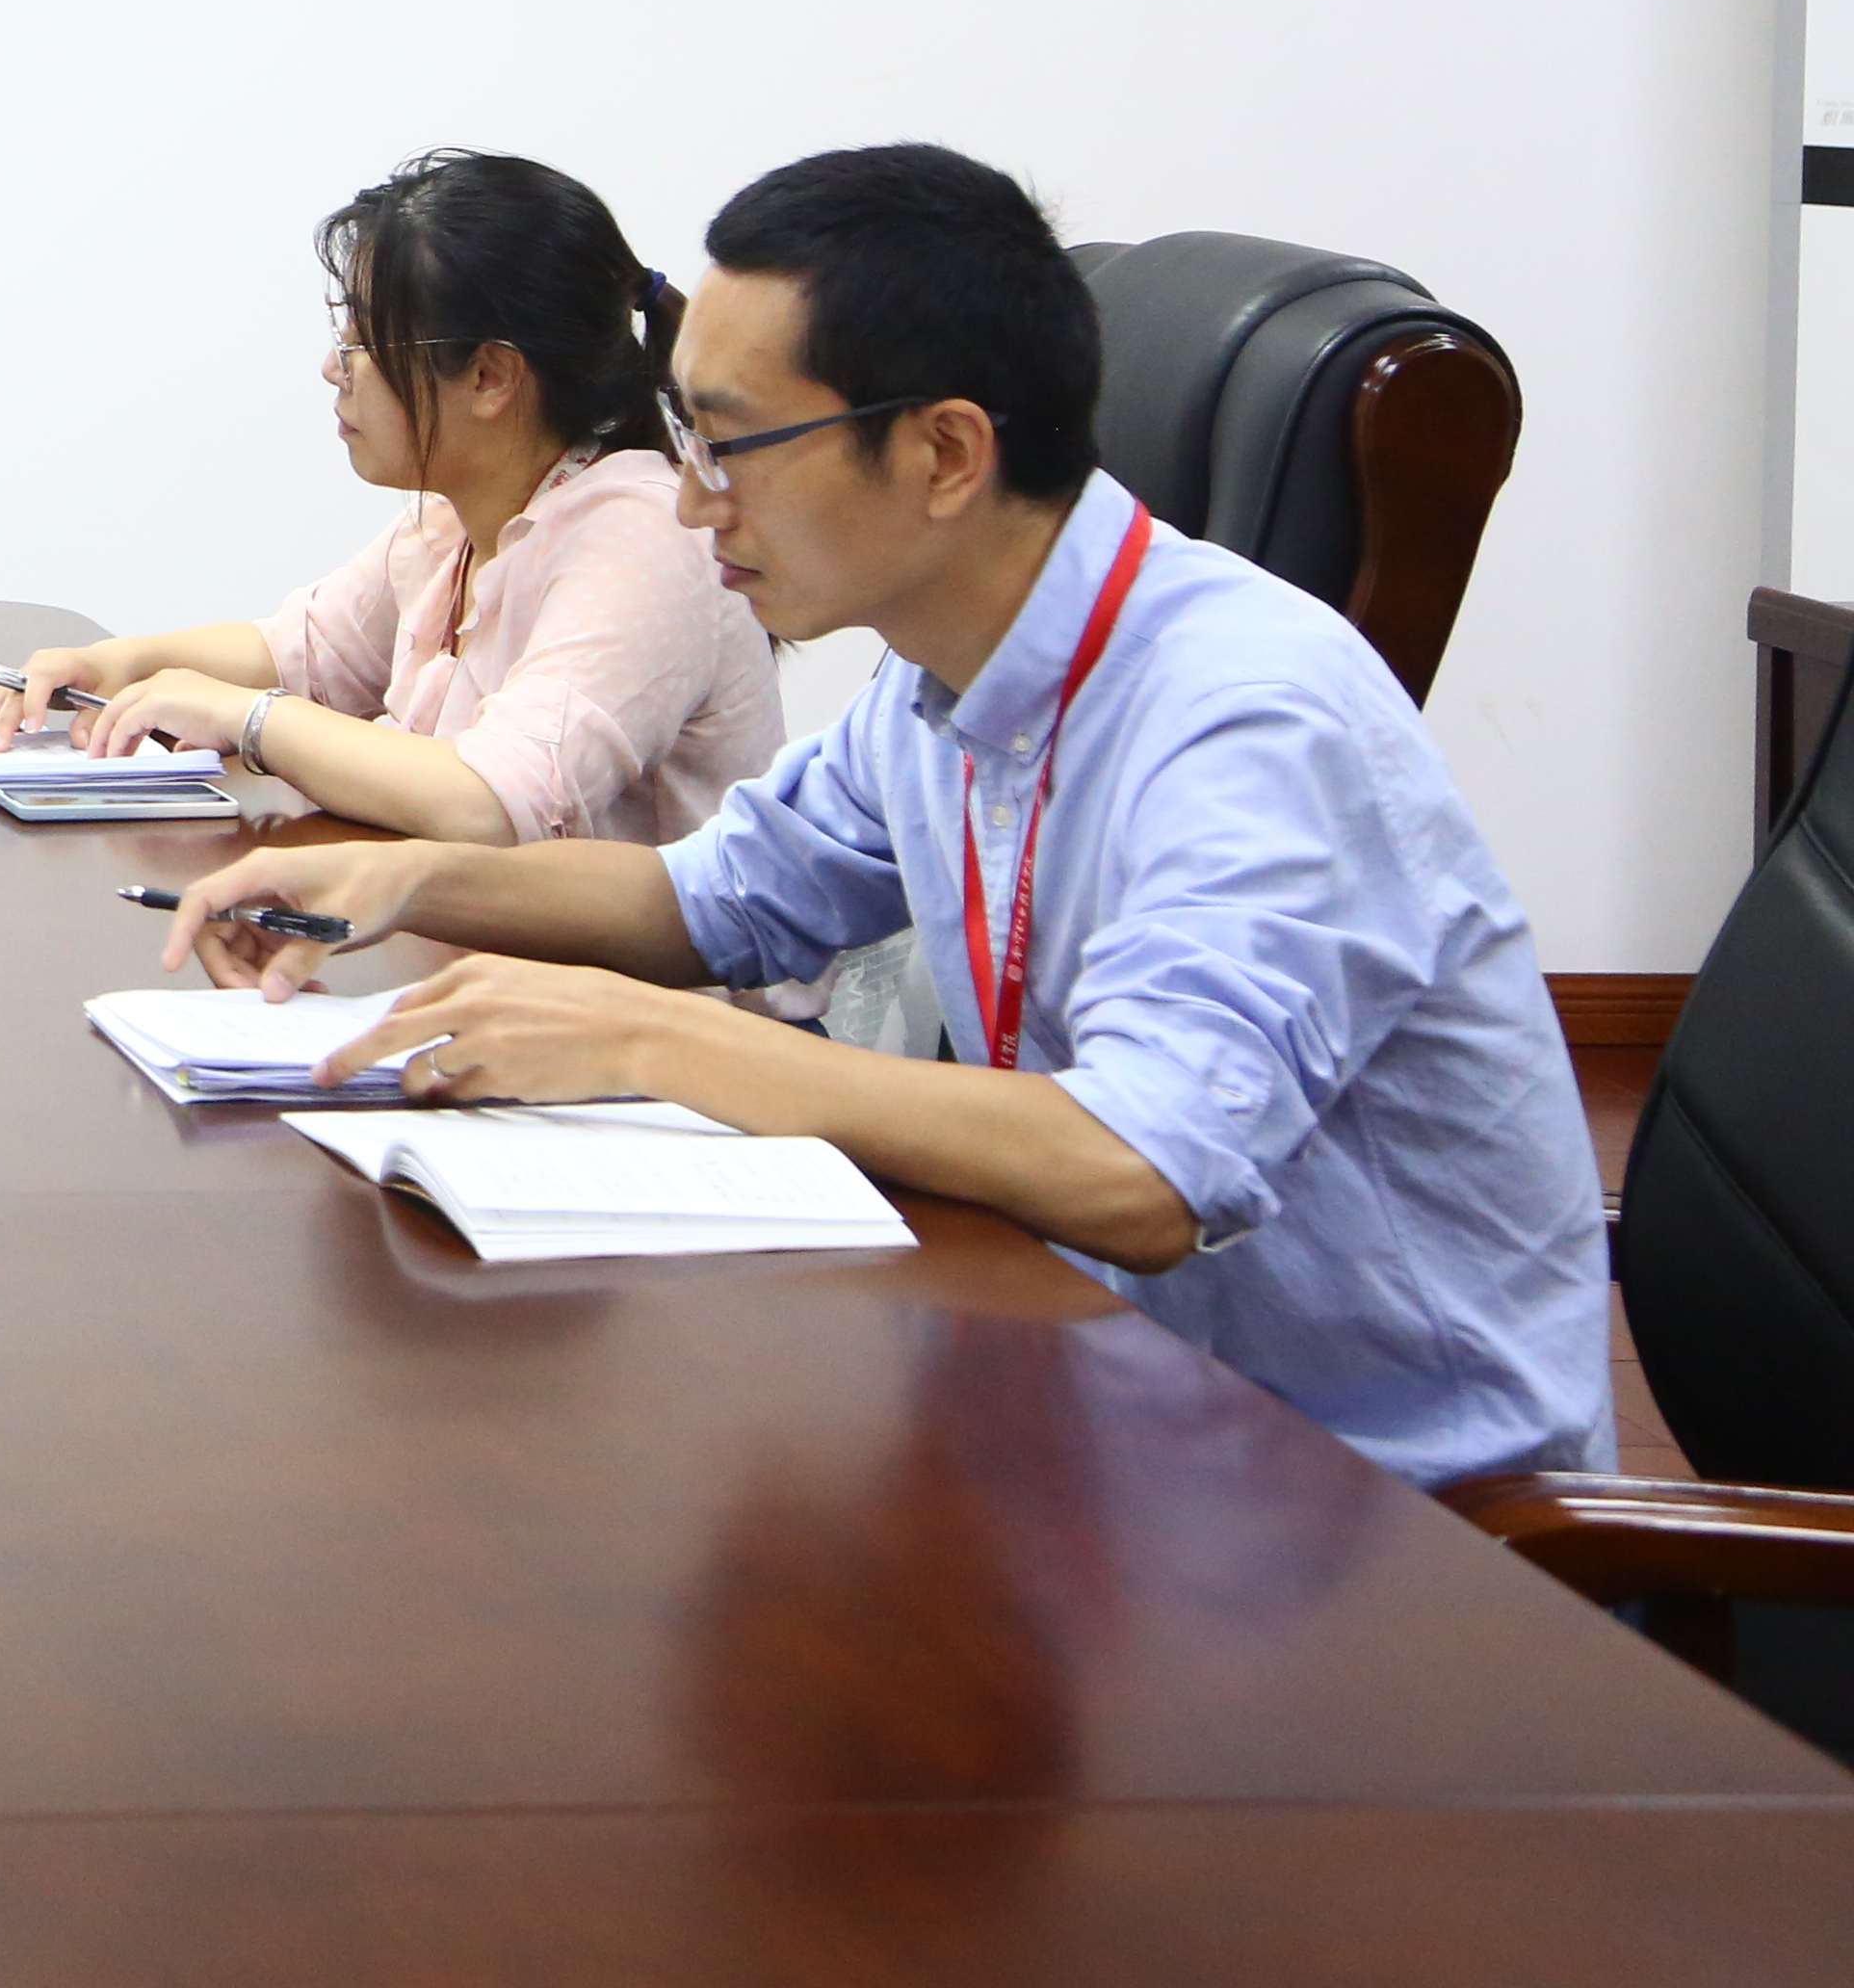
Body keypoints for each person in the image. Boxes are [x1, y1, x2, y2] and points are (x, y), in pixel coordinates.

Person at [162, 142, 1606, 1492]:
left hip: (1372, 1506)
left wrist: (657, 1041)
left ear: (944, 455)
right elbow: (712, 898)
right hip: (1098, 1395)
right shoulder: (941, 680)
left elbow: (1145, 1167)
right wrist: (407, 883)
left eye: (730, 448)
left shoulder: (1246, 714)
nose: (695, 508)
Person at [0, 150, 778, 848]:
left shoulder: (643, 532)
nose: (334, 369)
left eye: (362, 342)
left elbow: (495, 805)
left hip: (622, 976)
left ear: (490, 376)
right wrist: (119, 663)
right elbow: (303, 653)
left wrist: (246, 719)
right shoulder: (456, 521)